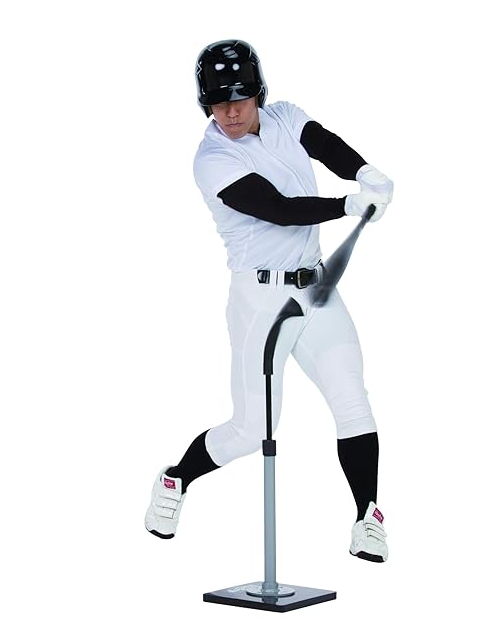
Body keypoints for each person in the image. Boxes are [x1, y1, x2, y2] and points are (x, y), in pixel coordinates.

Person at [145, 39, 394, 562]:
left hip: (318, 289)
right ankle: (176, 480)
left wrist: (365, 173)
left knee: (353, 400)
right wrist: (348, 204)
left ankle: (366, 517)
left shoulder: (284, 116)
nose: (230, 112)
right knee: (251, 430)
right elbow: (277, 209)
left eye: (239, 98)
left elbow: (324, 144)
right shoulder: (212, 159)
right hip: (260, 299)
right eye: (218, 102)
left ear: (258, 93)